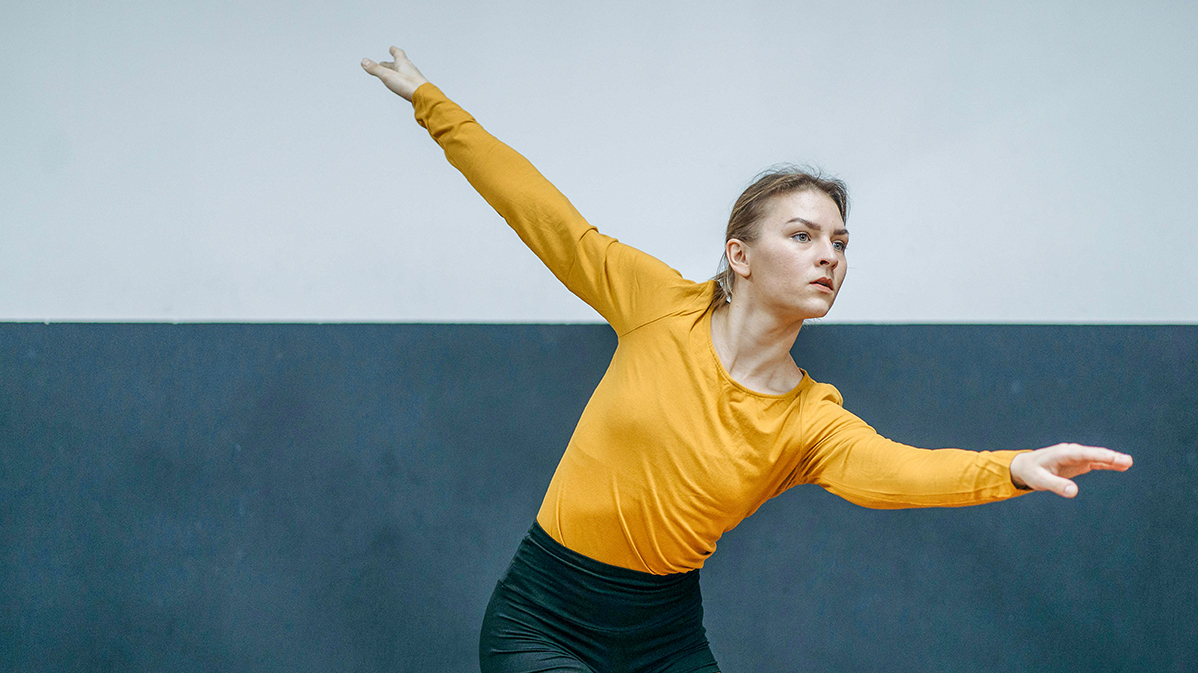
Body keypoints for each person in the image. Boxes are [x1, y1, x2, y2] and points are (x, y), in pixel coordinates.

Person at [361, 46, 1134, 673]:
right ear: (741, 255)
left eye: (839, 242)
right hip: (545, 619)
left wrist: (1011, 466)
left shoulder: (808, 422)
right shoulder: (660, 303)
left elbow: (897, 472)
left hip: (662, 639)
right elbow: (545, 217)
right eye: (802, 235)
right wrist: (433, 103)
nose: (827, 255)